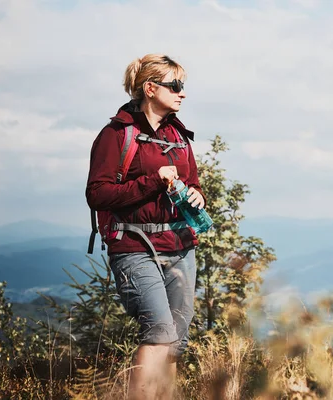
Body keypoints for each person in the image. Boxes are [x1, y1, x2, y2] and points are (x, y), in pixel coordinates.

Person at [85, 54, 205, 399]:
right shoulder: (116, 135)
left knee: (176, 341)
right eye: (175, 86)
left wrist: (196, 196)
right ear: (150, 89)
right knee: (159, 333)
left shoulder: (178, 136)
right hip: (134, 247)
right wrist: (153, 181)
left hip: (180, 246)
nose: (182, 94)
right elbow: (98, 194)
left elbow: (194, 183)